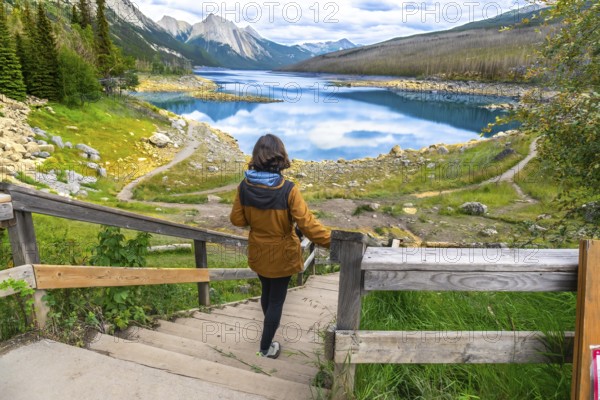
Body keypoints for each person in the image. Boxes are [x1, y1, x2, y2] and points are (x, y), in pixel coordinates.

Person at [230, 134, 331, 358]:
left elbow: (237, 220)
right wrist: (333, 242)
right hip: (283, 254)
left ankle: (268, 334)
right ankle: (266, 348)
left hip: (258, 251)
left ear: (257, 155)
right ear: (279, 156)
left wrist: (256, 219)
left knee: (267, 293)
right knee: (276, 300)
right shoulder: (288, 189)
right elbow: (308, 225)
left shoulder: (244, 186)